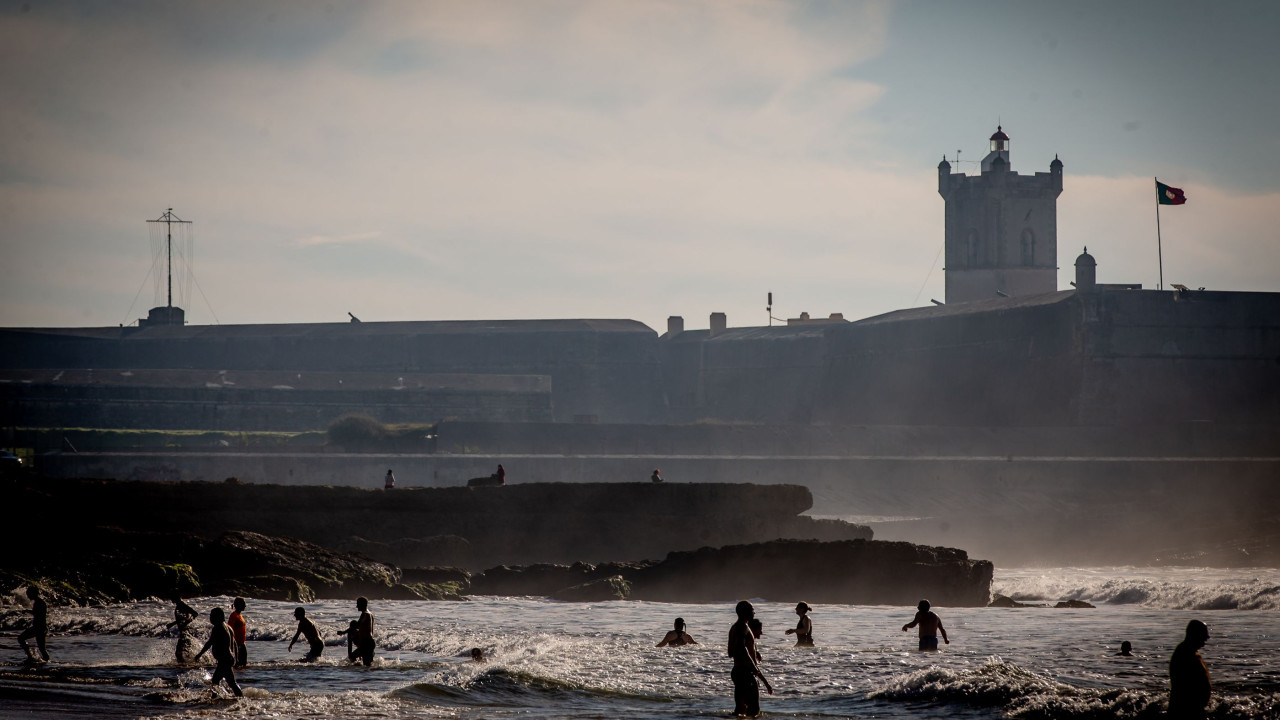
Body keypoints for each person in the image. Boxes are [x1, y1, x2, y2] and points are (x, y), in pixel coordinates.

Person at [727, 600, 772, 717]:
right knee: (754, 710)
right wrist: (753, 666)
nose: (754, 613)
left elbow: (730, 652)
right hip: (745, 672)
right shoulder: (742, 627)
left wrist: (754, 651)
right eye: (752, 610)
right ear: (745, 612)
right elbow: (742, 649)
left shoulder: (735, 627)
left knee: (740, 710)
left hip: (738, 671)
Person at [193, 608, 243, 697]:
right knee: (231, 683)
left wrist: (199, 654)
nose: (210, 618)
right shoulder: (228, 627)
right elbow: (234, 644)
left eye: (212, 616)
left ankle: (215, 699)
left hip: (224, 659)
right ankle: (239, 698)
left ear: (218, 616)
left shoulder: (218, 627)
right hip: (229, 658)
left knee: (215, 681)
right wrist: (236, 658)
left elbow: (209, 643)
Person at [1168, 620, 1211, 720]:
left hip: (1194, 709)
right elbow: (1184, 685)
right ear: (1195, 634)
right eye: (1204, 634)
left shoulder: (1191, 651)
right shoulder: (1184, 653)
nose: (1207, 638)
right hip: (1186, 711)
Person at [17, 586, 49, 663]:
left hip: (39, 628)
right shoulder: (39, 602)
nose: (28, 596)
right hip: (41, 627)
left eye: (28, 594)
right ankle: (45, 662)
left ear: (33, 593)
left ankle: (30, 656)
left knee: (21, 638)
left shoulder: (39, 602)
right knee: (42, 649)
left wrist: (26, 611)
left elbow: (38, 614)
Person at [167, 594, 199, 664]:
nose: (171, 599)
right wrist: (173, 624)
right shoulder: (180, 605)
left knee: (179, 653)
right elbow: (181, 619)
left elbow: (195, 614)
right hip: (184, 631)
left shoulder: (182, 605)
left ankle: (184, 665)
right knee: (185, 651)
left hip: (186, 632)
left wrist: (187, 622)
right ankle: (190, 663)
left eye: (172, 597)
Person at [352, 596, 376, 666]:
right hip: (370, 642)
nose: (357, 606)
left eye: (358, 604)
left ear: (363, 604)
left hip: (367, 643)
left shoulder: (365, 614)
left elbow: (357, 626)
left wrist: (345, 631)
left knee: (352, 657)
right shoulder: (370, 614)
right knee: (368, 664)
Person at [227, 597, 248, 667]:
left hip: (242, 643)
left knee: (243, 665)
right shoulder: (233, 616)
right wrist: (233, 645)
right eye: (243, 604)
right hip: (237, 644)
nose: (245, 606)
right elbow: (229, 630)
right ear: (239, 605)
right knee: (238, 664)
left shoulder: (240, 615)